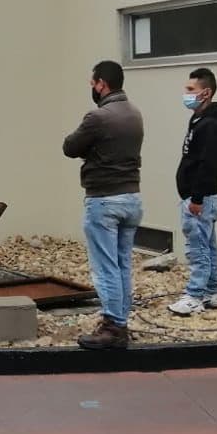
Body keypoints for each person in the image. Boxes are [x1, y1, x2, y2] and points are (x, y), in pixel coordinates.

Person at [62, 61, 145, 350]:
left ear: (102, 84)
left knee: (106, 267)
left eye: (93, 83)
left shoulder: (98, 117)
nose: (92, 88)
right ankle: (120, 321)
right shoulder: (135, 114)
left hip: (104, 200)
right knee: (122, 264)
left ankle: (112, 328)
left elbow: (70, 147)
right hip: (132, 197)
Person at [168, 68, 217, 316]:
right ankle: (213, 292)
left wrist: (196, 198)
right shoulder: (199, 121)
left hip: (201, 198)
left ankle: (194, 296)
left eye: (190, 89)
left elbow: (209, 165)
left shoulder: (212, 126)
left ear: (206, 93)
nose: (186, 94)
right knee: (208, 245)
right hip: (200, 197)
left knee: (198, 249)